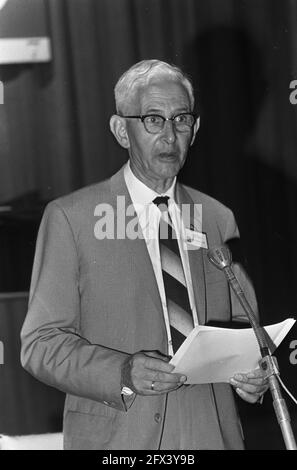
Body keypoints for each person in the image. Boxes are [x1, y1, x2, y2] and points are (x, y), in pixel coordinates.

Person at [20, 59, 268, 450]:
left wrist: (254, 376)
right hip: (119, 438)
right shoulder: (72, 218)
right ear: (122, 130)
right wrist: (121, 371)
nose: (170, 136)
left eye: (181, 119)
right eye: (153, 119)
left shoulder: (217, 218)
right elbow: (41, 344)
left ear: (196, 129)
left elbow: (246, 330)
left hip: (210, 434)